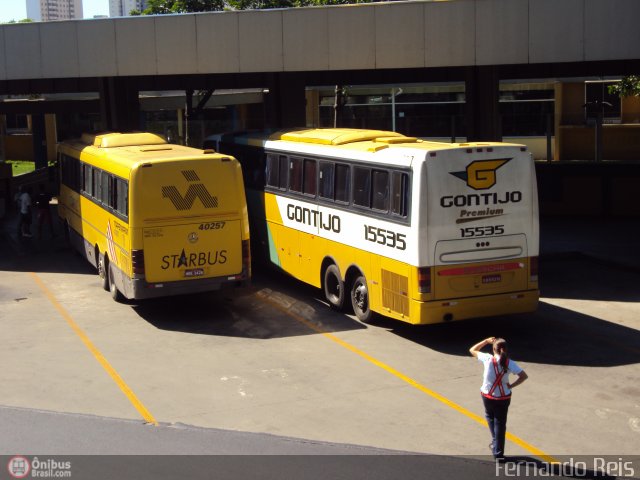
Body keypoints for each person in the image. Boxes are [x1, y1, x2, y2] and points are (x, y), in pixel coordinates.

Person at [469, 337, 528, 461]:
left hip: (487, 395)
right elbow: (523, 376)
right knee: (500, 423)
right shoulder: (510, 363)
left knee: (489, 417)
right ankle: (498, 451)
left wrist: (486, 341)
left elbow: (472, 350)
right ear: (505, 350)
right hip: (503, 397)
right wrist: (511, 385)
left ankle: (495, 442)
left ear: (493, 349)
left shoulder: (487, 358)